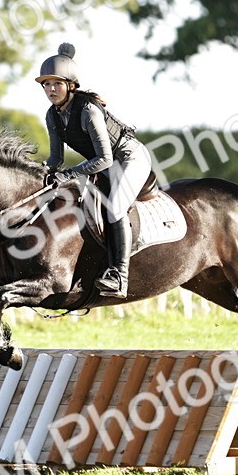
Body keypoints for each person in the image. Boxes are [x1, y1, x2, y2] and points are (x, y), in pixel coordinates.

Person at [36, 42, 153, 298]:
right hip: (101, 164)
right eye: (46, 84)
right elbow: (56, 157)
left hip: (128, 157)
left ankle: (119, 275)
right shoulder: (52, 115)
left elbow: (105, 159)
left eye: (56, 83)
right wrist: (39, 172)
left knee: (116, 206)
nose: (50, 89)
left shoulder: (88, 110)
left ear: (70, 85)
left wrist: (68, 174)